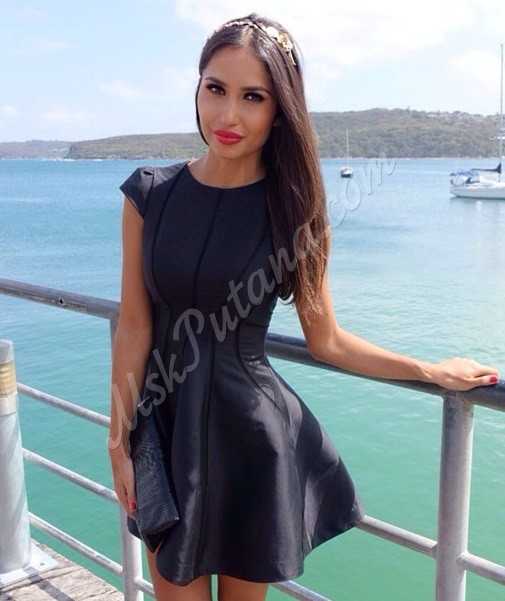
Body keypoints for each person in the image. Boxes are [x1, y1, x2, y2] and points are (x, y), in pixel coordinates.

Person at [108, 12, 501, 601]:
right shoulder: (148, 194)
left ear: (279, 109)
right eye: (216, 89)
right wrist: (119, 441)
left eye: (253, 97)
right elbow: (135, 327)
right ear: (197, 87)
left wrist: (428, 370)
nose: (229, 115)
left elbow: (327, 340)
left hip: (252, 445)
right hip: (163, 435)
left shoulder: (293, 210)